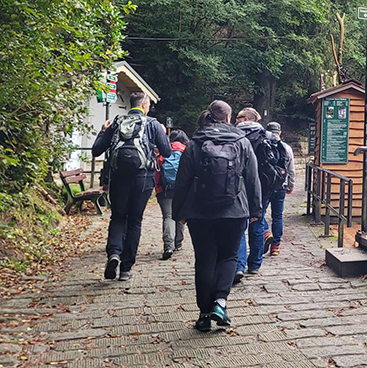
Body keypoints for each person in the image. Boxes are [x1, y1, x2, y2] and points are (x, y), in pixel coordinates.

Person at [172, 100, 261, 332]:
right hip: (234, 210)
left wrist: (179, 212)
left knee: (205, 260)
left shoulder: (195, 142)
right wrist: (256, 210)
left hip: (199, 212)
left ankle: (203, 314)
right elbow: (252, 178)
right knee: (229, 256)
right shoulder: (241, 142)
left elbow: (182, 180)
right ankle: (220, 303)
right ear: (229, 117)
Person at [92, 91, 171, 282]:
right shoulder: (152, 124)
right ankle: (126, 268)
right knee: (135, 220)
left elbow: (96, 150)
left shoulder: (117, 122)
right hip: (143, 178)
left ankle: (113, 254)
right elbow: (167, 152)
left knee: (118, 217)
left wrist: (103, 130)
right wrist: (161, 133)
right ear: (144, 105)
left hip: (119, 177)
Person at [233, 108, 280, 282]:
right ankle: (255, 264)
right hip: (264, 186)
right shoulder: (268, 136)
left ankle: (239, 265)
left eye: (238, 117)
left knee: (239, 225)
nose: (235, 120)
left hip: (239, 186)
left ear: (245, 119)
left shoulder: (234, 135)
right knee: (258, 223)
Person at [155, 130, 189, 260]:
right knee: (180, 215)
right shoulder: (187, 150)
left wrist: (158, 189)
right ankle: (178, 243)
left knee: (168, 217)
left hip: (165, 189)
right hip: (182, 189)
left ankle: (168, 246)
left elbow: (157, 172)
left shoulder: (165, 151)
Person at [263, 121, 294, 256]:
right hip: (280, 186)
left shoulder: (262, 145)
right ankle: (275, 246)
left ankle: (265, 232)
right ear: (280, 132)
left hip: (265, 186)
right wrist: (290, 185)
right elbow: (291, 170)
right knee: (277, 216)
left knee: (259, 213)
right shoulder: (286, 148)